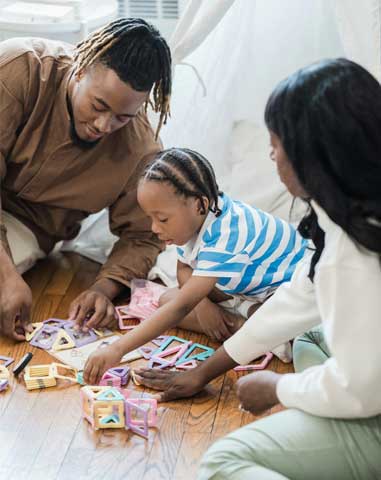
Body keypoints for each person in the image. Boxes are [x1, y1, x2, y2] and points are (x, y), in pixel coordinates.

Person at [195, 58, 381, 479]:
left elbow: (363, 389)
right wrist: (208, 369)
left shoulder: (354, 253)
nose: (271, 153)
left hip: (371, 402)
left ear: (314, 156)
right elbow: (299, 297)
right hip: (368, 384)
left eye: (277, 142)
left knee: (222, 462)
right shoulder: (351, 214)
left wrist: (280, 388)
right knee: (309, 336)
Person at [0, 18, 172, 341]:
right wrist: (6, 275)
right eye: (98, 105)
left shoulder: (141, 148)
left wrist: (102, 289)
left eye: (123, 117)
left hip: (30, 227)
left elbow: (143, 236)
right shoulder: (17, 68)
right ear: (79, 69)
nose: (104, 125)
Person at [83, 147, 308, 384]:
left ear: (199, 205)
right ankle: (246, 321)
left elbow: (181, 307)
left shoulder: (227, 233)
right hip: (247, 288)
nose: (154, 228)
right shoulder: (196, 220)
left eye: (162, 219)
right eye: (150, 218)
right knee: (165, 300)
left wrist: (117, 349)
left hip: (285, 291)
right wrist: (203, 305)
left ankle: (249, 326)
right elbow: (184, 269)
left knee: (176, 305)